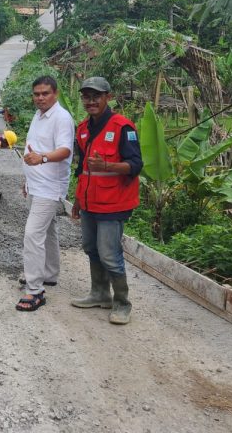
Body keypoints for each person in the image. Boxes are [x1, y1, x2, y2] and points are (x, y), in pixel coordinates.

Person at [70, 76, 143, 325]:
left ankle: (122, 303)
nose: (91, 101)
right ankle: (100, 293)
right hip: (90, 202)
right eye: (87, 97)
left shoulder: (123, 127)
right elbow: (83, 170)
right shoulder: (82, 129)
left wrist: (107, 165)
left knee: (109, 253)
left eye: (96, 96)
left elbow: (136, 165)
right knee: (91, 249)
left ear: (107, 97)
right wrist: (78, 200)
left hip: (114, 203)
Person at [15, 76, 74, 312]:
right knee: (49, 231)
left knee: (32, 234)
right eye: (36, 94)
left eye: (45, 93)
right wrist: (27, 178)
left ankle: (36, 290)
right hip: (36, 185)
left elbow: (65, 149)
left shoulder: (61, 117)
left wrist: (43, 158)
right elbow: (33, 148)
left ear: (55, 93)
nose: (40, 98)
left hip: (50, 188)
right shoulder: (38, 116)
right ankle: (49, 273)